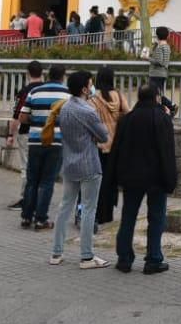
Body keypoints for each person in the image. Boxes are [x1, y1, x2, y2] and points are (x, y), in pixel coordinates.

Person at [114, 83, 178, 274]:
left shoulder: (127, 119)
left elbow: (119, 149)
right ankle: (153, 259)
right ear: (157, 97)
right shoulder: (162, 118)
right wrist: (170, 179)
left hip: (132, 177)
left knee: (128, 217)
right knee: (156, 218)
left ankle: (124, 259)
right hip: (156, 178)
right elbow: (167, 151)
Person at [50, 70, 111, 268]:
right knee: (88, 209)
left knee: (65, 207)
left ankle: (56, 253)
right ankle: (86, 256)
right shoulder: (88, 111)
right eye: (90, 84)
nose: (92, 88)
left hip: (69, 163)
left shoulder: (64, 108)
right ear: (85, 88)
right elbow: (103, 136)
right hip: (89, 164)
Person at [18, 64, 70, 230]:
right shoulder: (67, 94)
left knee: (32, 180)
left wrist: (37, 120)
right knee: (47, 182)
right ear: (63, 76)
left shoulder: (35, 92)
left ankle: (26, 216)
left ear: (47, 75)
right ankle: (41, 219)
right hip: (56, 141)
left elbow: (23, 117)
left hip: (35, 140)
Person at [90, 66, 129, 226]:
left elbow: (90, 120)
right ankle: (109, 214)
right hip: (115, 146)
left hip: (99, 145)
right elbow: (128, 114)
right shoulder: (119, 96)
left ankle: (98, 213)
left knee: (98, 181)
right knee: (111, 181)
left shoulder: (94, 99)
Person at [6, 61, 46, 208]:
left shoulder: (24, 92)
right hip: (47, 134)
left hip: (27, 134)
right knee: (43, 167)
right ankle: (41, 197)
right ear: (42, 74)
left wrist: (10, 135)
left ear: (27, 74)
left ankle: (26, 198)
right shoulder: (48, 90)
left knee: (27, 167)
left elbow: (16, 117)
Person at [148, 26, 176, 116]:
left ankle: (171, 106)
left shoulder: (160, 47)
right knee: (158, 94)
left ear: (157, 35)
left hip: (156, 74)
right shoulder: (167, 47)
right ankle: (167, 109)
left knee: (156, 94)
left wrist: (147, 58)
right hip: (162, 74)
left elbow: (159, 61)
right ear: (167, 36)